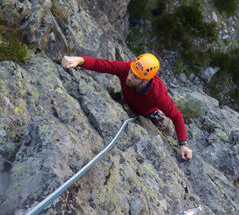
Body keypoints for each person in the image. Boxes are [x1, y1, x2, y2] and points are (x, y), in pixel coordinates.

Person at [61, 53, 193, 160]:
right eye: (130, 72)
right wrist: (79, 60)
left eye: (135, 77)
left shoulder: (158, 94)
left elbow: (176, 115)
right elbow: (104, 65)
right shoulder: (128, 69)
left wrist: (183, 144)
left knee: (167, 128)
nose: (129, 77)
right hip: (128, 101)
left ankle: (164, 124)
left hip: (149, 113)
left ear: (145, 80)